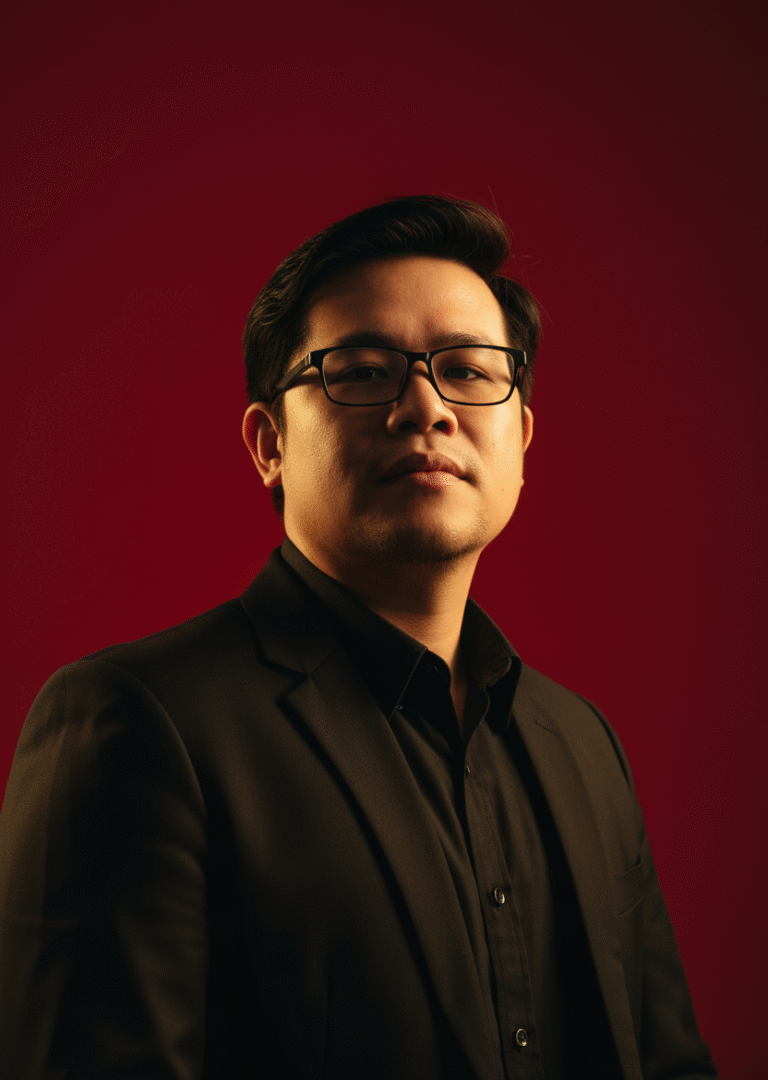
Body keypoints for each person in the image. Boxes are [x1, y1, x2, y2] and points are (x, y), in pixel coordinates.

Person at [0, 195, 717, 1079]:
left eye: (468, 369)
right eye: (365, 370)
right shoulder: (138, 723)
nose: (427, 407)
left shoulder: (583, 745)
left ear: (523, 439)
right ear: (269, 444)